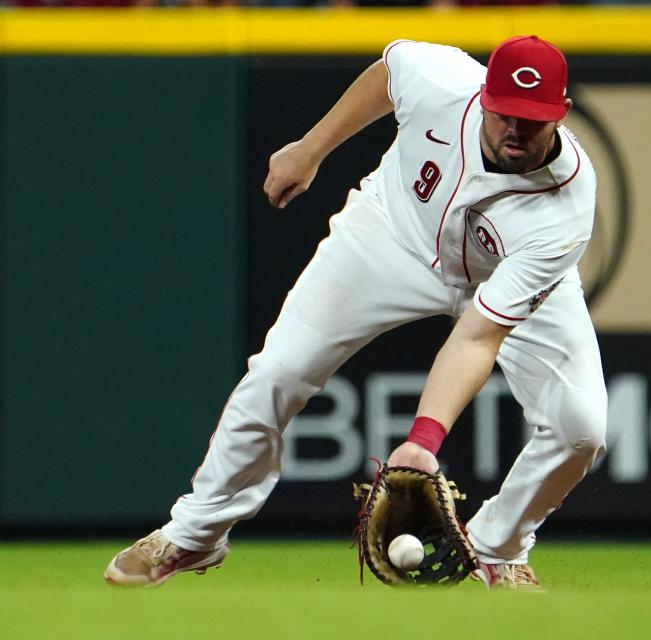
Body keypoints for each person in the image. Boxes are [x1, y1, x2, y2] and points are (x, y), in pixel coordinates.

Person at [104, 35, 607, 590]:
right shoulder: (440, 79)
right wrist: (311, 148)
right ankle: (194, 533)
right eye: (506, 111)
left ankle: (498, 544)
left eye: (532, 119)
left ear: (559, 116)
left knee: (580, 427)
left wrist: (423, 439)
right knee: (279, 371)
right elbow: (386, 72)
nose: (516, 128)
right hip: (389, 236)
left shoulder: (566, 206)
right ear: (485, 95)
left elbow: (477, 338)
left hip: (508, 273)